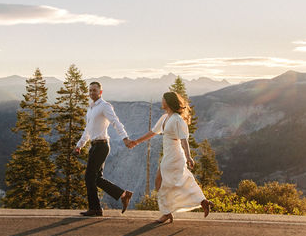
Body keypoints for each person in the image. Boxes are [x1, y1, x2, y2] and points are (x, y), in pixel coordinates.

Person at [126, 91, 210, 224]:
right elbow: (152, 132)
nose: (161, 101)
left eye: (163, 99)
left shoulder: (177, 120)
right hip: (168, 155)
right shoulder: (165, 117)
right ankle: (201, 201)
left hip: (175, 156)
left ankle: (167, 213)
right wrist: (136, 141)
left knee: (163, 182)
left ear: (168, 102)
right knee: (177, 181)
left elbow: (184, 140)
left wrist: (189, 157)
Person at [73, 81, 134, 216]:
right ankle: (123, 195)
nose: (91, 93)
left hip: (102, 146)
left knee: (89, 177)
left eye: (94, 90)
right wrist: (79, 145)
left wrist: (125, 138)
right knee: (96, 179)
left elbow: (115, 122)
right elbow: (87, 130)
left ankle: (95, 208)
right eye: (89, 90)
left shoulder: (104, 106)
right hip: (94, 146)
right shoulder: (91, 109)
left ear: (100, 92)